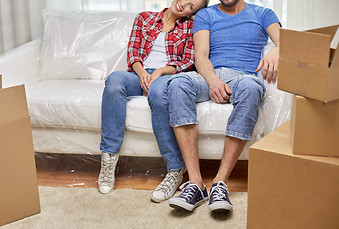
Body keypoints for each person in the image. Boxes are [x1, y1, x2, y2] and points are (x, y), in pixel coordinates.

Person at [149, 0, 280, 211]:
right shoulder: (205, 15)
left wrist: (277, 49)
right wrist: (212, 81)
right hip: (210, 75)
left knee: (251, 87)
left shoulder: (263, 13)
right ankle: (196, 183)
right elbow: (200, 55)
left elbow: (287, 41)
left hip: (243, 77)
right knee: (179, 83)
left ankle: (220, 183)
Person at [98, 0, 209, 198]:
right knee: (114, 81)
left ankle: (175, 169)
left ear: (194, 13)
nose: (184, 4)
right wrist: (142, 74)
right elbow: (133, 53)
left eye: (191, 6)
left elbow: (187, 62)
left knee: (158, 92)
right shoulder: (144, 18)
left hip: (165, 76)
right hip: (138, 74)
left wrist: (160, 72)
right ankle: (108, 160)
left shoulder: (190, 27)